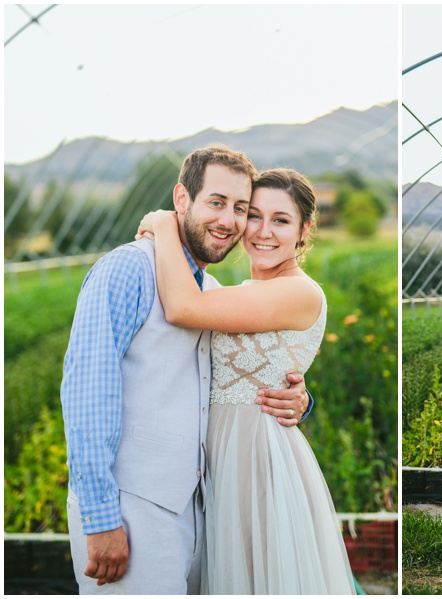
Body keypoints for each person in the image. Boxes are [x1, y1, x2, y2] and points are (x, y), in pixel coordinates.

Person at [61, 145, 312, 594]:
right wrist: (100, 518)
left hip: (199, 507)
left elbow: (243, 369)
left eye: (240, 208)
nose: (230, 221)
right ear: (182, 199)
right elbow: (86, 393)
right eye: (216, 202)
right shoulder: (127, 269)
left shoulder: (210, 288)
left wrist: (300, 396)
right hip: (130, 506)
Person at [136, 168, 356, 594]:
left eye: (281, 220)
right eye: (253, 215)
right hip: (217, 456)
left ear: (304, 230)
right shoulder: (236, 290)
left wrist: (165, 224)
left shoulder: (300, 292)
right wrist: (301, 396)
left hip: (257, 458)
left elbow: (183, 307)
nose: (263, 231)